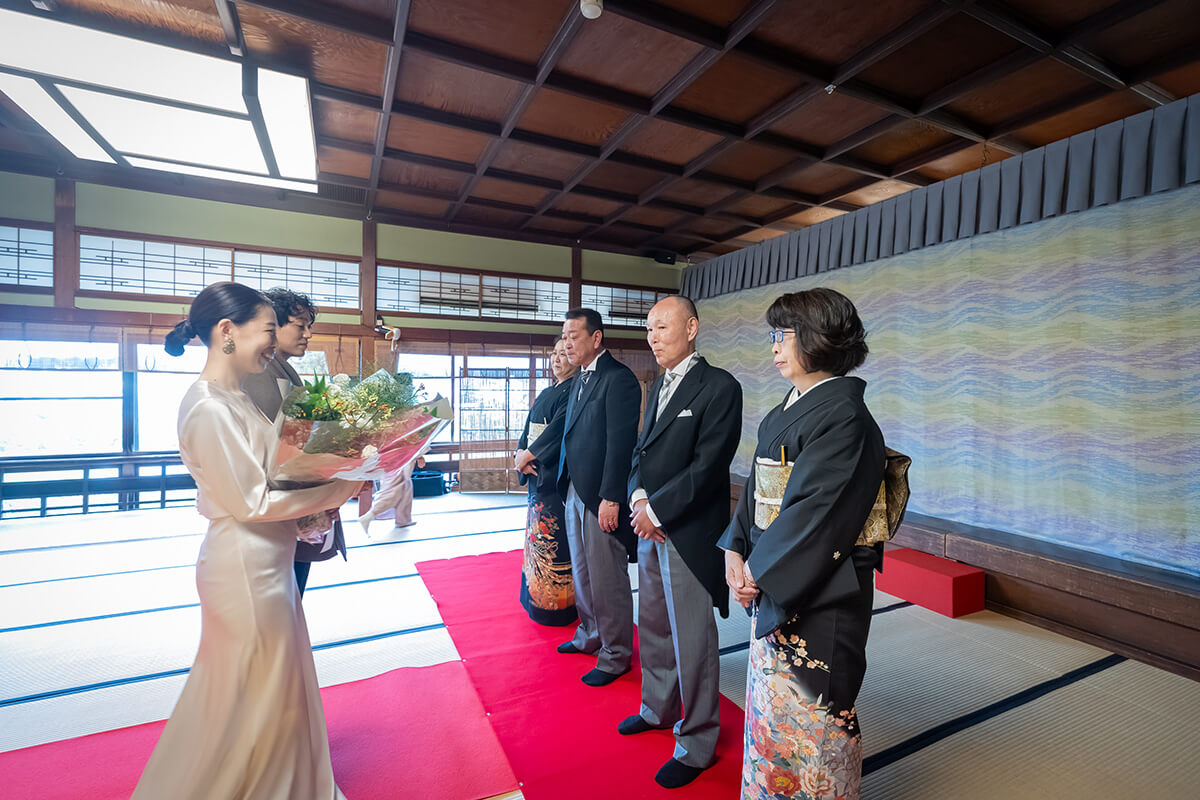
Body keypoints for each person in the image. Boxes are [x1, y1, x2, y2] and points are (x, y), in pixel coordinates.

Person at [132, 282, 362, 800]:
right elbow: (252, 502)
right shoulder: (209, 407)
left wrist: (354, 457)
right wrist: (342, 484)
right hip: (244, 565)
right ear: (227, 332)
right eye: (266, 332)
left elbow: (282, 463)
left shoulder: (234, 397)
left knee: (272, 689)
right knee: (260, 694)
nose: (273, 343)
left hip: (266, 561)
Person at [717, 288, 885, 800]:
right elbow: (755, 495)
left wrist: (757, 575)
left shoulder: (845, 418)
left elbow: (816, 515)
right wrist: (734, 549)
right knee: (773, 710)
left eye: (782, 335)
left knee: (816, 718)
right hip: (771, 578)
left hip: (821, 592)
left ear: (817, 337)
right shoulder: (783, 412)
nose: (774, 345)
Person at [622, 295, 743, 789]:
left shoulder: (719, 387)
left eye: (663, 327)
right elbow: (641, 451)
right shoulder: (658, 385)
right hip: (648, 524)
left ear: (691, 328)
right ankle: (658, 706)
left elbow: (709, 466)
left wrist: (658, 510)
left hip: (688, 531)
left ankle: (698, 740)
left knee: (692, 638)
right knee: (651, 623)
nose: (653, 337)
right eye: (648, 328)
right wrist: (635, 497)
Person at [242, 287, 346, 596]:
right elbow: (276, 445)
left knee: (291, 600)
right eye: (300, 325)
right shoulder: (257, 373)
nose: (308, 334)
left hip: (295, 500)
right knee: (281, 601)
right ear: (271, 325)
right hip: (276, 506)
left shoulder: (283, 369)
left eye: (308, 326)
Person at [555, 307, 640, 687]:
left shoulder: (617, 379)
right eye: (565, 336)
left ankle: (617, 652)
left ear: (596, 338)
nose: (567, 343)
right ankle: (589, 634)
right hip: (575, 487)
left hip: (600, 494)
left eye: (574, 336)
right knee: (583, 572)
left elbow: (620, 444)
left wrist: (612, 496)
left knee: (608, 578)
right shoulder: (580, 378)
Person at [513, 337, 579, 625]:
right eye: (553, 354)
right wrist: (519, 453)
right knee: (535, 539)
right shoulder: (546, 392)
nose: (557, 359)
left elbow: (557, 433)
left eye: (563, 354)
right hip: (533, 471)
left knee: (553, 539)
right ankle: (536, 599)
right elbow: (529, 427)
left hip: (551, 476)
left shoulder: (573, 392)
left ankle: (557, 608)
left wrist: (529, 455)